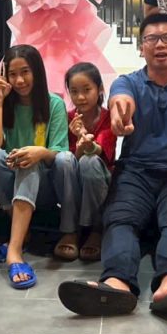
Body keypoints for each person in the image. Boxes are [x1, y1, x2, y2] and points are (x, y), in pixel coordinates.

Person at [58, 13, 167, 322]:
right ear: (141, 48)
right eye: (151, 39)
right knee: (120, 219)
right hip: (136, 171)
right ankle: (116, 284)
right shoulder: (127, 81)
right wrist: (120, 114)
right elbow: (121, 100)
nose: (160, 45)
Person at [0, 44, 76, 288]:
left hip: (46, 186)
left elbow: (59, 152)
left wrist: (39, 152)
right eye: (13, 74)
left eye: (25, 72)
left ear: (37, 72)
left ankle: (15, 251)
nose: (19, 80)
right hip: (16, 183)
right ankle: (21, 233)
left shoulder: (53, 103)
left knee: (46, 160)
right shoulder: (5, 104)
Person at [65, 62, 116, 262]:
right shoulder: (67, 118)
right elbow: (68, 158)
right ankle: (71, 230)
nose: (80, 97)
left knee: (90, 162)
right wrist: (79, 140)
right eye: (74, 91)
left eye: (87, 90)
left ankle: (94, 229)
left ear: (100, 89)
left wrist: (85, 138)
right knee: (66, 162)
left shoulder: (108, 116)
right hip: (74, 178)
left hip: (102, 178)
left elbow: (101, 151)